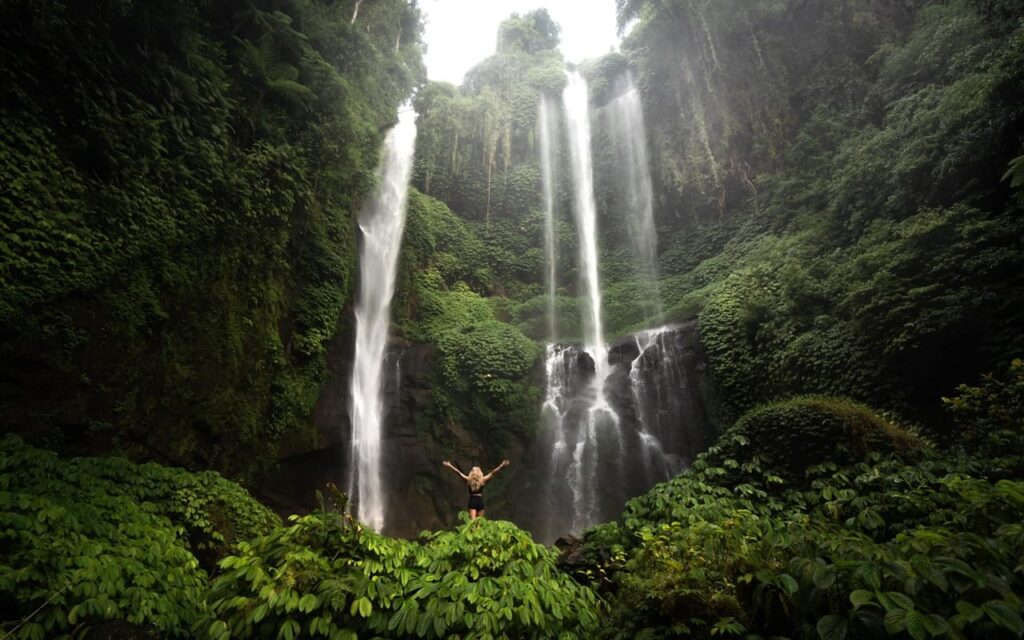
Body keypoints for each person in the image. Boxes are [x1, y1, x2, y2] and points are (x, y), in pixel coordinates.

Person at [442, 458, 510, 520]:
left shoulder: (468, 480)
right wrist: (502, 465)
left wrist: (450, 465)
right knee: (479, 522)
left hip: (472, 501)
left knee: (473, 522)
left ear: (472, 473)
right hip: (480, 501)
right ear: (480, 473)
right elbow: (493, 473)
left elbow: (458, 473)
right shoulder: (482, 480)